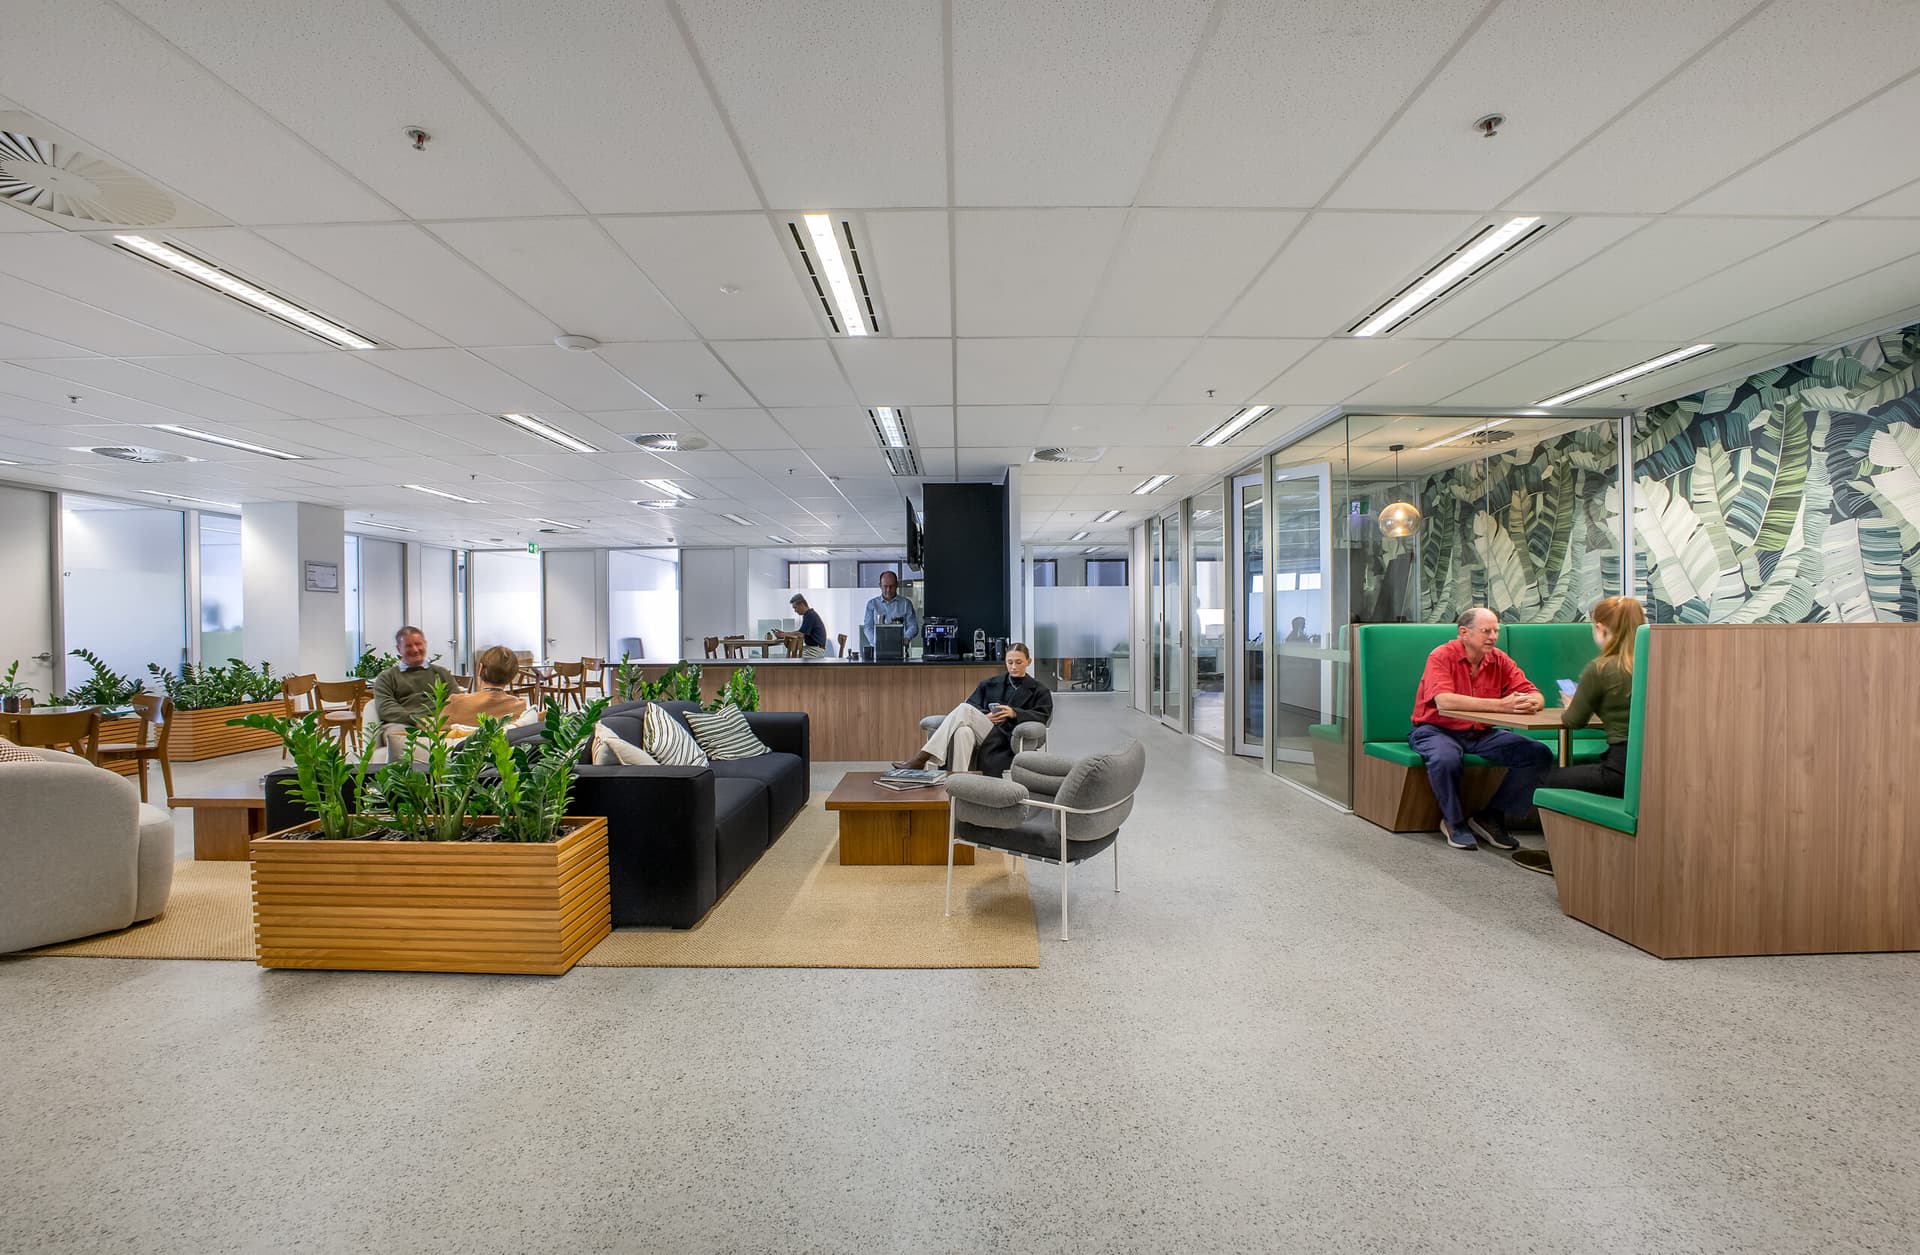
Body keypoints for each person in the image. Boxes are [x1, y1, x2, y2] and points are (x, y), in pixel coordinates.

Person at [1410, 607, 1553, 852]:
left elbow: (1534, 693)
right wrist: (1502, 705)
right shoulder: (1441, 656)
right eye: (1486, 631)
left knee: (1538, 754)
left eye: (1496, 631)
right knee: (1446, 758)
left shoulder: (1500, 659)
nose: (1493, 636)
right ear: (1463, 633)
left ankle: (1490, 818)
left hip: (1480, 733)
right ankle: (1453, 822)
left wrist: (1532, 702)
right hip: (1435, 729)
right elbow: (1444, 701)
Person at [894, 642, 1052, 777]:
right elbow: (973, 704)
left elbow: (1042, 717)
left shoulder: (1040, 690)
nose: (1013, 666)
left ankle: (922, 757)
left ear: (1028, 661)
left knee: (964, 709)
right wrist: (986, 716)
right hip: (986, 730)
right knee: (963, 731)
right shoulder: (990, 684)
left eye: (1018, 662)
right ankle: (958, 784)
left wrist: (1015, 713)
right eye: (1009, 662)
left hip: (1006, 736)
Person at [1542, 596, 1646, 797]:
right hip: (1661, 769)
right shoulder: (1658, 663)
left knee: (1543, 778)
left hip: (1620, 772)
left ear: (1601, 628)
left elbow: (1573, 721)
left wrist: (1571, 704)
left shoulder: (1600, 669)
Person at [370, 626, 459, 751]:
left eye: (418, 644)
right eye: (408, 646)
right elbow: (386, 707)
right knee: (399, 738)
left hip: (438, 722)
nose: (415, 650)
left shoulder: (441, 673)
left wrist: (437, 721)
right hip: (402, 724)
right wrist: (417, 721)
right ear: (399, 649)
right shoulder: (387, 677)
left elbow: (456, 700)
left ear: (425, 644)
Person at [440, 645, 528, 727]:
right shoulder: (519, 707)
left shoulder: (455, 702)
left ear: (480, 668)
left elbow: (437, 731)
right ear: (513, 676)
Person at [861, 570, 919, 654]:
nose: (888, 590)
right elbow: (868, 627)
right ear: (880, 586)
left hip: (901, 651)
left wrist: (906, 639)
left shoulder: (906, 604)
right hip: (878, 651)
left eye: (891, 586)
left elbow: (913, 626)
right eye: (885, 586)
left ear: (897, 585)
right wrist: (877, 642)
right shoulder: (872, 604)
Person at [778, 594, 829, 659]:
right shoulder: (808, 615)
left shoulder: (810, 615)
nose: (795, 611)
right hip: (812, 648)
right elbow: (801, 632)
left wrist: (783, 634)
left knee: (791, 659)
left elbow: (800, 634)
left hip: (816, 650)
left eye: (795, 607)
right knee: (790, 657)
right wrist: (784, 634)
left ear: (802, 604)